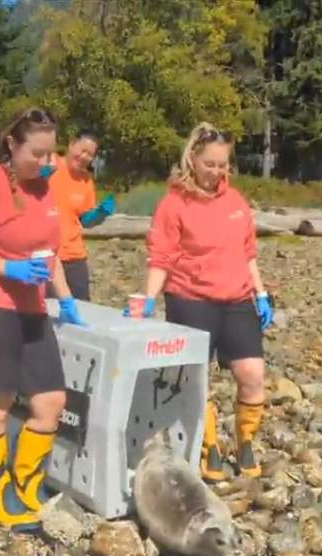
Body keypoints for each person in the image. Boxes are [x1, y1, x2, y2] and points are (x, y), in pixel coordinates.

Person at [0, 107, 87, 531]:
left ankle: (27, 481)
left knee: (51, 401)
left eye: (52, 155)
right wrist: (7, 268)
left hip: (31, 307)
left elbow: (53, 254)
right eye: (38, 155)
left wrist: (66, 301)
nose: (47, 164)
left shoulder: (47, 191)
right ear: (12, 145)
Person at [128, 122, 274, 481]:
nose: (217, 172)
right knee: (198, 377)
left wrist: (262, 292)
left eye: (223, 164)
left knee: (252, 373)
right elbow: (160, 257)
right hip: (191, 297)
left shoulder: (236, 202)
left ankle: (244, 441)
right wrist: (148, 299)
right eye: (210, 164)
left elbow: (248, 253)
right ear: (192, 158)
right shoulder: (173, 204)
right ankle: (208, 446)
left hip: (237, 297)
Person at [48, 130, 116, 301]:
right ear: (71, 145)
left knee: (82, 310)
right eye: (82, 150)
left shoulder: (86, 180)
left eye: (90, 154)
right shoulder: (51, 165)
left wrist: (99, 214)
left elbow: (85, 220)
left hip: (74, 257)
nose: (85, 157)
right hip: (46, 255)